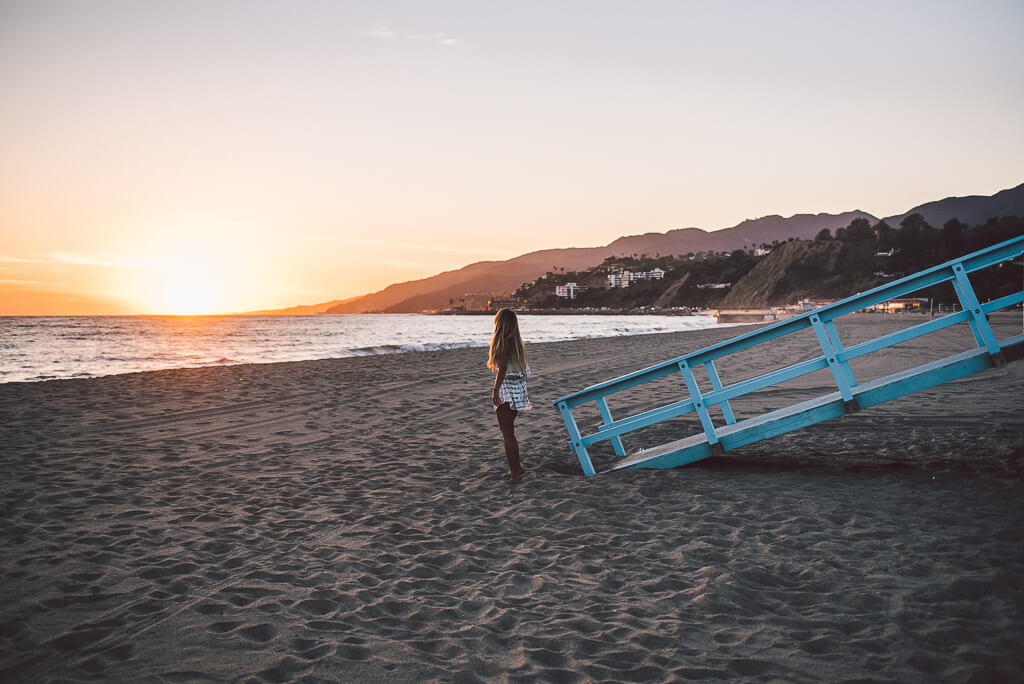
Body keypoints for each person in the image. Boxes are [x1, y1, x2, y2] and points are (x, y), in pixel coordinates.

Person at [488, 308, 530, 481]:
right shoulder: (517, 342)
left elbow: (503, 369)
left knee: (507, 434)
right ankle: (517, 466)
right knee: (509, 432)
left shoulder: (504, 343)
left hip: (506, 391)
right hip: (518, 390)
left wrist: (495, 390)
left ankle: (515, 472)